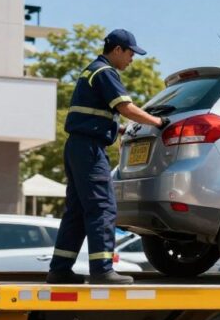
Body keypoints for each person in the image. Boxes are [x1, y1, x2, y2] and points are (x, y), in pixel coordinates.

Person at [46, 29, 169, 285]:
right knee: (103, 207)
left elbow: (95, 114)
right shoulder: (105, 72)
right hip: (90, 150)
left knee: (78, 211)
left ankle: (60, 269)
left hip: (77, 147)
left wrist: (119, 129)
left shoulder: (91, 71)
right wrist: (157, 122)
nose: (132, 59)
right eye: (131, 53)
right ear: (117, 50)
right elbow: (125, 107)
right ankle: (102, 270)